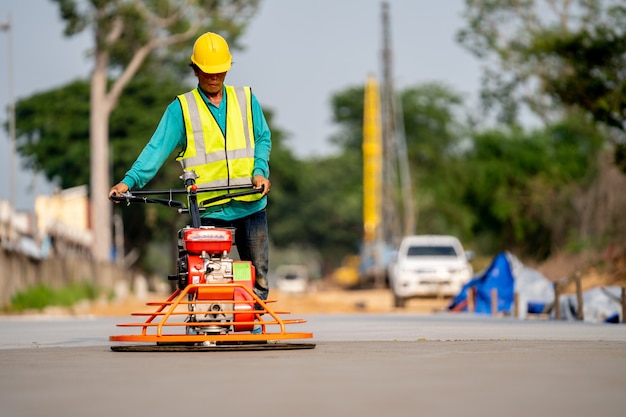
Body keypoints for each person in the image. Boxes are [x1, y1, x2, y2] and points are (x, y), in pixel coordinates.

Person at [109, 32, 272, 312]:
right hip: (209, 208)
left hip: (251, 204)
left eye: (219, 70)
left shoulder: (246, 99)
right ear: (195, 69)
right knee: (207, 275)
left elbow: (263, 139)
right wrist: (128, 182)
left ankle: (251, 324)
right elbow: (156, 149)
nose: (214, 76)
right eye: (207, 71)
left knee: (256, 274)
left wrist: (260, 171)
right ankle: (210, 321)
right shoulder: (181, 109)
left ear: (227, 68)